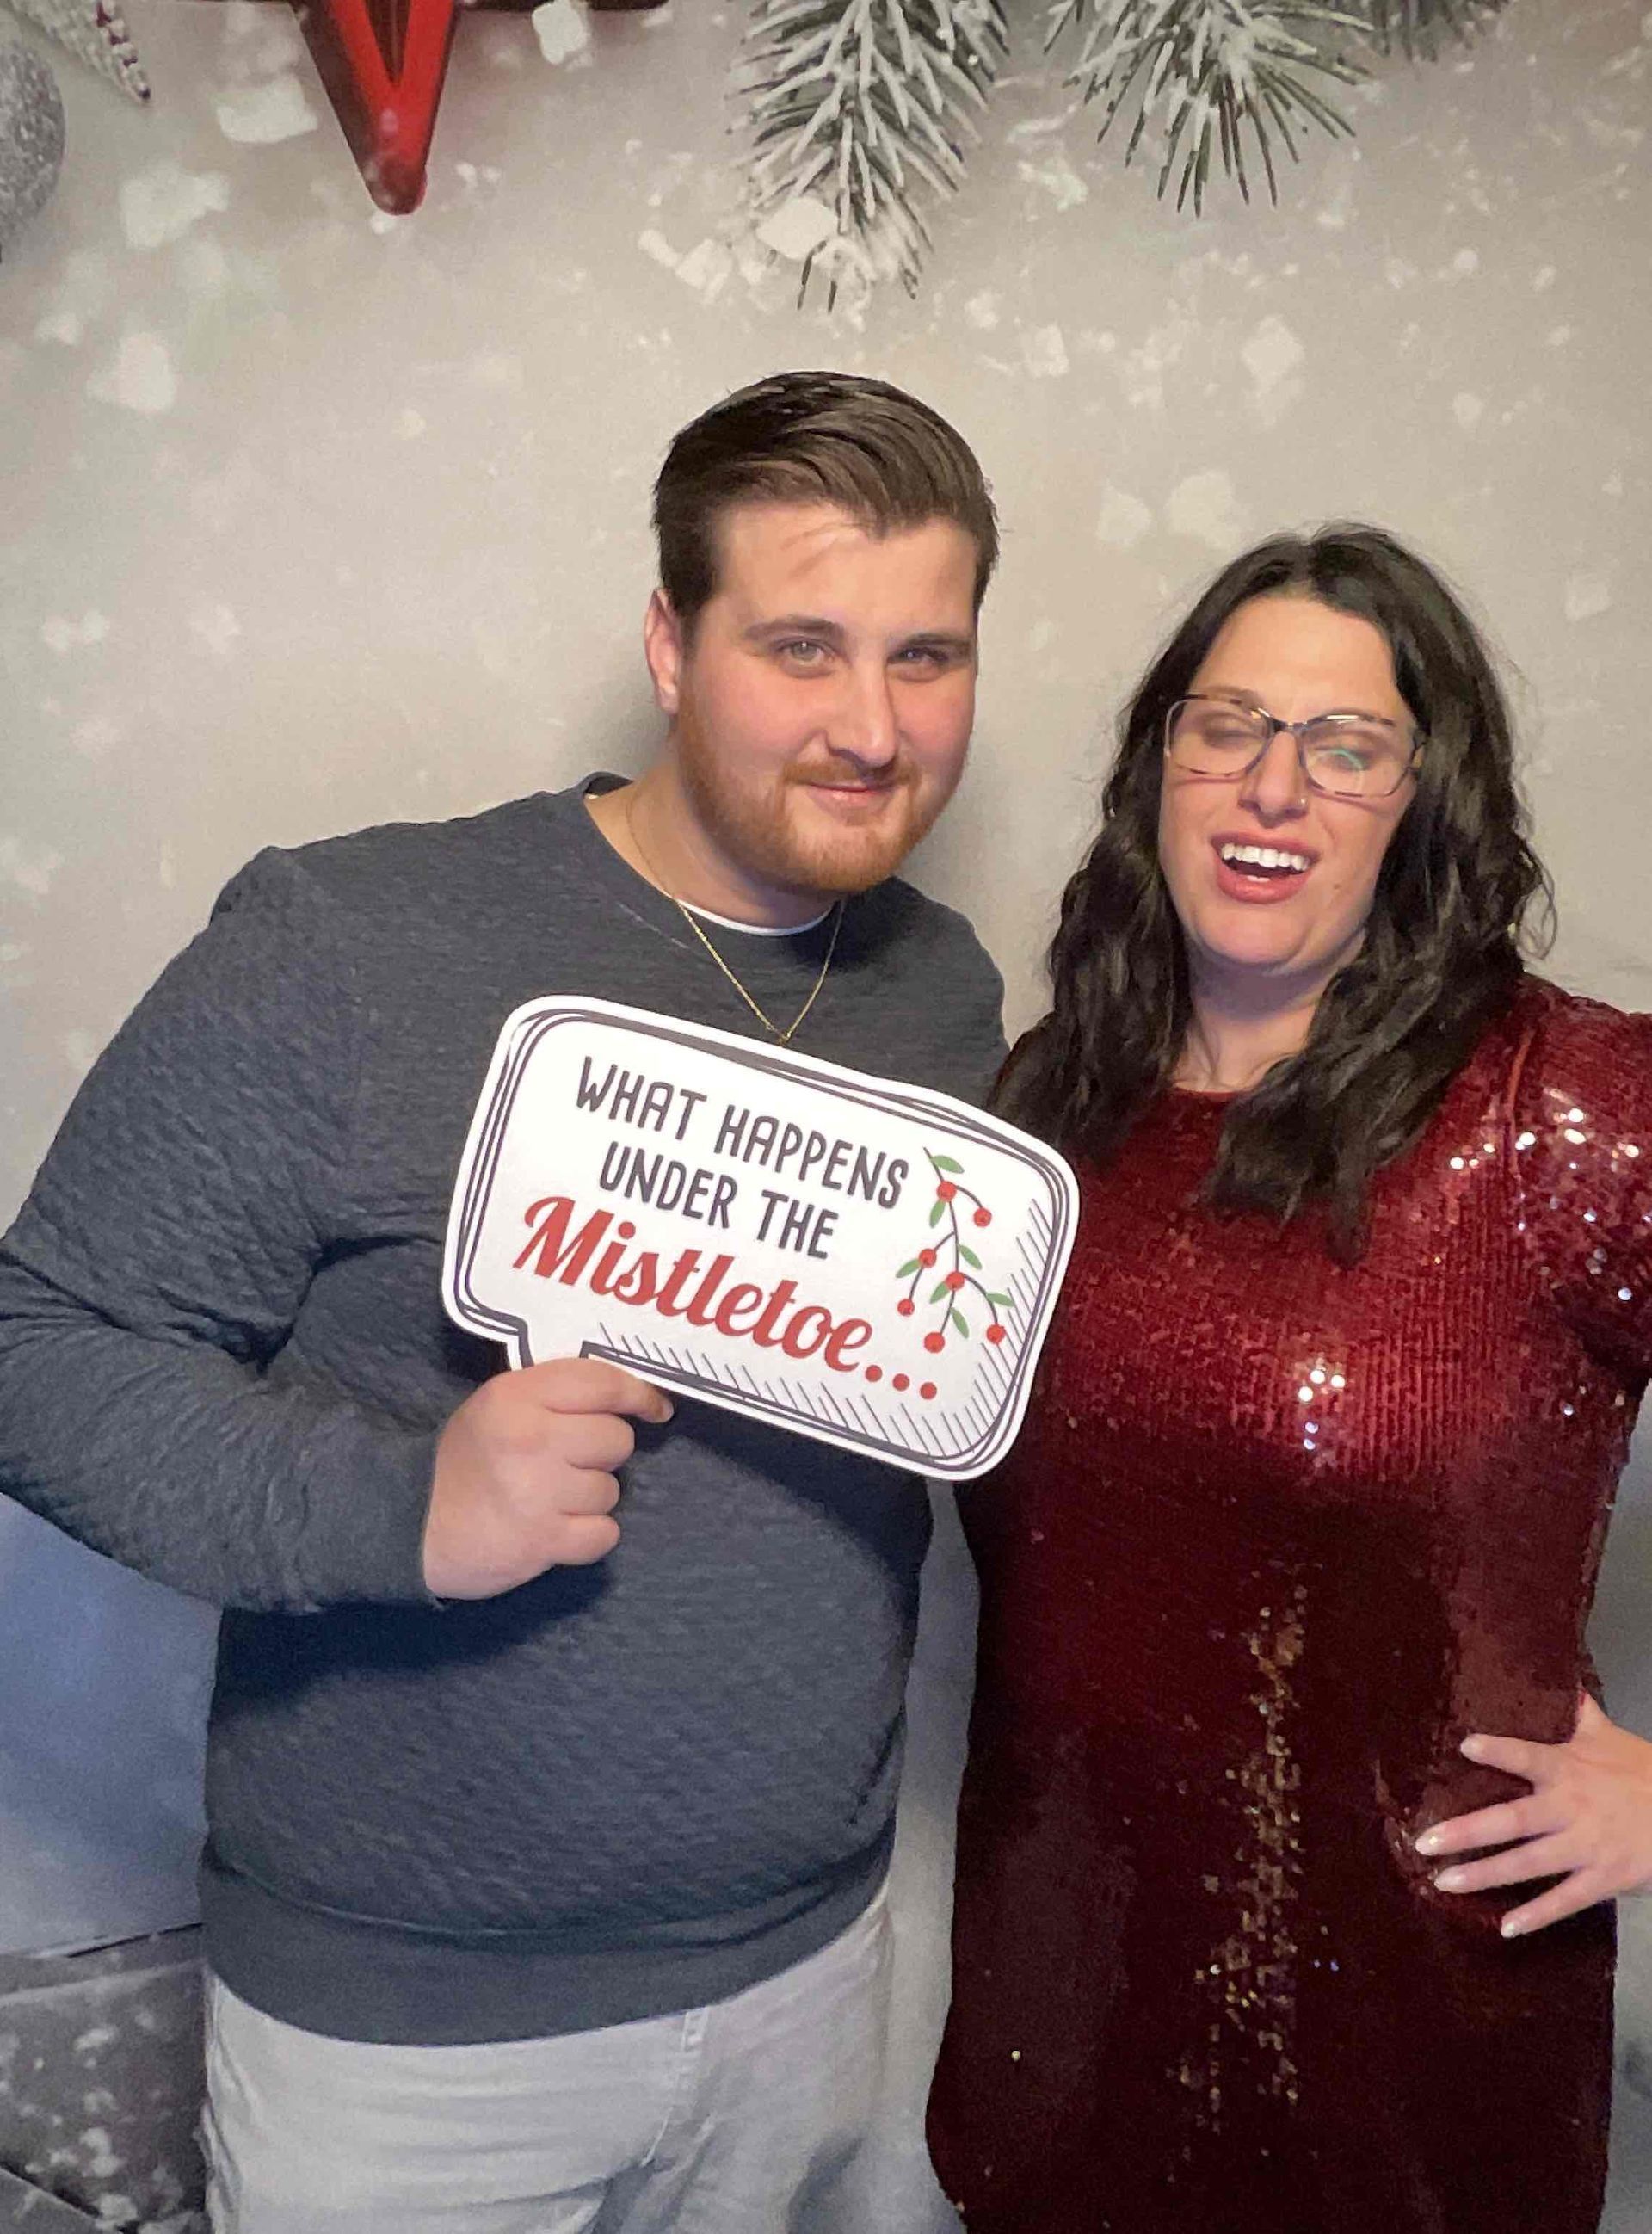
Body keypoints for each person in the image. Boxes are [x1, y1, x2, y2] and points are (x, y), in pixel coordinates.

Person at [0, 369, 1007, 2233]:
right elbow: (39, 1348)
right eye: (804, 644)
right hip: (411, 2041)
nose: (876, 726)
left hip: (808, 1978)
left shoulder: (943, 995)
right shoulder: (351, 945)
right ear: (670, 643)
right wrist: (403, 1502)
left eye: (928, 655)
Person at [926, 525, 1652, 2233]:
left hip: (1416, 2084)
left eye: (1347, 745)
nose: (1274, 785)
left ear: (1426, 794)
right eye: (1226, 724)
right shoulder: (1048, 1106)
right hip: (1058, 2047)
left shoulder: (1571, 1109)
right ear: (1158, 760)